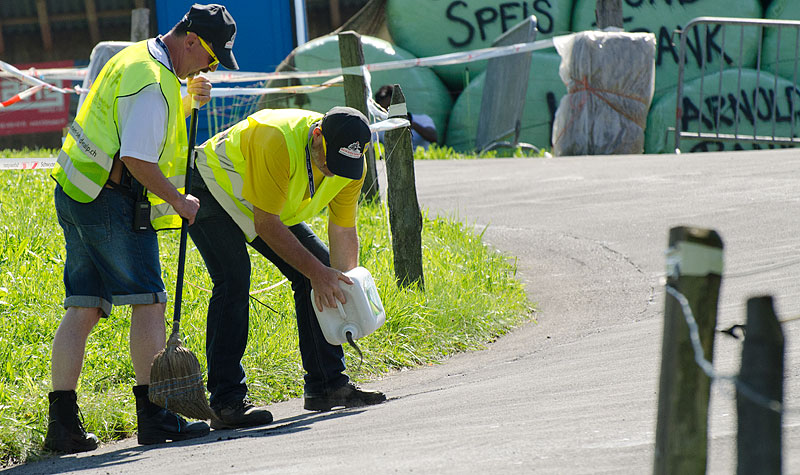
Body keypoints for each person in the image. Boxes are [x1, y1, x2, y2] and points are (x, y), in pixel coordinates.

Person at [44, 4, 239, 453]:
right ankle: (156, 417)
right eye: (210, 57)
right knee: (150, 301)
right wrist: (179, 201)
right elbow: (136, 156)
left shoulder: (137, 57)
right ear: (190, 41)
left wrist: (189, 98)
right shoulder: (153, 83)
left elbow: (129, 123)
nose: (210, 66)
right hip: (113, 199)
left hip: (77, 188)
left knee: (84, 306)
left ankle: (62, 426)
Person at [187, 106, 387, 429]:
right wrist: (319, 275)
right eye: (329, 162)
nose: (333, 173)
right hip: (211, 188)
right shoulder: (277, 140)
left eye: (344, 166)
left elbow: (343, 231)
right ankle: (226, 402)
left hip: (266, 203)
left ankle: (327, 385)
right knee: (234, 277)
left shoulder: (351, 164)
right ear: (317, 135)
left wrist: (345, 293)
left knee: (321, 271)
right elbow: (266, 224)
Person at [374, 84, 438, 150]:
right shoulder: (380, 126)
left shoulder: (422, 119)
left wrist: (411, 124)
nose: (388, 112)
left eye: (390, 107)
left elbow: (433, 137)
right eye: (384, 109)